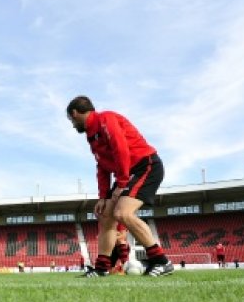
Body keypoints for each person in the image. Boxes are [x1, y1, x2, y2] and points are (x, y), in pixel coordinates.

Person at [66, 95, 173, 277]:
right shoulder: (92, 136)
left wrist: (121, 183)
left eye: (71, 120)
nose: (72, 125)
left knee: (122, 213)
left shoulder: (105, 119)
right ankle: (101, 268)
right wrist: (103, 197)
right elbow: (102, 166)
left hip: (145, 166)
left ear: (75, 113)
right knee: (106, 215)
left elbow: (121, 148)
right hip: (127, 172)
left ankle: (161, 262)